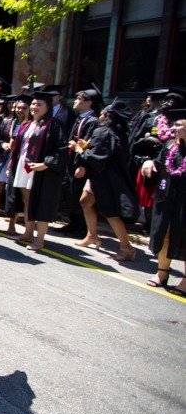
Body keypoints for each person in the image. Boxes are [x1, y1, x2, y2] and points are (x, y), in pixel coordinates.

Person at [71, 100, 138, 261]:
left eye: (102, 114)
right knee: (86, 201)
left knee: (110, 212)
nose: (99, 116)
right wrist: (86, 145)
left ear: (108, 117)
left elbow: (96, 157)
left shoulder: (104, 132)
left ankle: (126, 248)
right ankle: (92, 235)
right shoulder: (116, 132)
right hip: (101, 176)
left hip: (104, 178)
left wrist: (79, 149)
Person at [5, 91, 68, 250]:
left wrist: (46, 164)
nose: (34, 107)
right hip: (24, 166)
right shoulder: (28, 124)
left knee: (41, 202)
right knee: (27, 200)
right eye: (33, 104)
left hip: (42, 169)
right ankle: (28, 232)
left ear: (48, 107)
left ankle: (39, 239)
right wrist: (12, 165)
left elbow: (61, 149)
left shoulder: (54, 125)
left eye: (39, 104)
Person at [142, 109, 186, 294]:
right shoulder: (169, 146)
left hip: (184, 202)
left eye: (179, 125)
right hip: (166, 197)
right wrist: (149, 163)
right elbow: (159, 165)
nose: (173, 128)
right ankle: (162, 273)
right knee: (164, 234)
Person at [57, 88, 103, 236]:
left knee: (78, 194)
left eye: (79, 100)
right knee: (71, 193)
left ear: (89, 103)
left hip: (81, 164)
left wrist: (82, 165)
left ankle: (81, 227)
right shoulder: (80, 118)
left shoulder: (92, 121)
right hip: (72, 162)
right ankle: (73, 223)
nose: (75, 102)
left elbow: (89, 145)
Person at [0, 95, 32, 232]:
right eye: (18, 107)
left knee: (19, 194)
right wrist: (3, 144)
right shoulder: (7, 121)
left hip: (21, 161)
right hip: (5, 158)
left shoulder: (32, 125)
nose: (20, 110)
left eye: (24, 108)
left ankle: (16, 226)